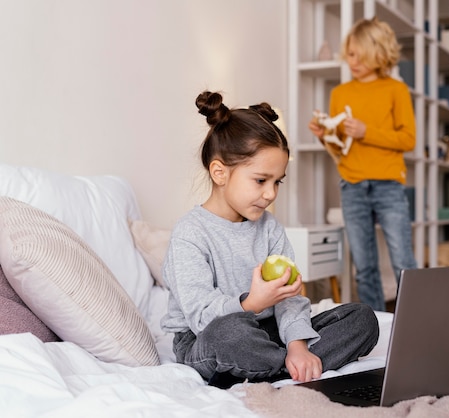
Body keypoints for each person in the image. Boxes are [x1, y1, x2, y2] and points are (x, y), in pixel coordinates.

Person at [161, 90, 379, 388]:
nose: (271, 193)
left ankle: (275, 367)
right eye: (261, 180)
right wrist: (251, 303)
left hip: (266, 331)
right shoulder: (190, 233)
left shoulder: (270, 228)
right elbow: (200, 316)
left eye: (278, 182)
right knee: (231, 334)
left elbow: (290, 299)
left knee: (363, 318)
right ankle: (280, 368)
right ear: (219, 173)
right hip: (206, 338)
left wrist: (298, 345)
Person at [309, 17, 417, 312]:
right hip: (352, 185)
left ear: (376, 52)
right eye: (349, 53)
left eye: (357, 54)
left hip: (388, 185)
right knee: (364, 266)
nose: (350, 60)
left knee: (403, 261)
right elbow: (339, 149)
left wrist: (366, 131)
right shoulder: (340, 94)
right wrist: (324, 135)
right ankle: (376, 326)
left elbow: (408, 139)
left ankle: (418, 320)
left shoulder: (396, 90)